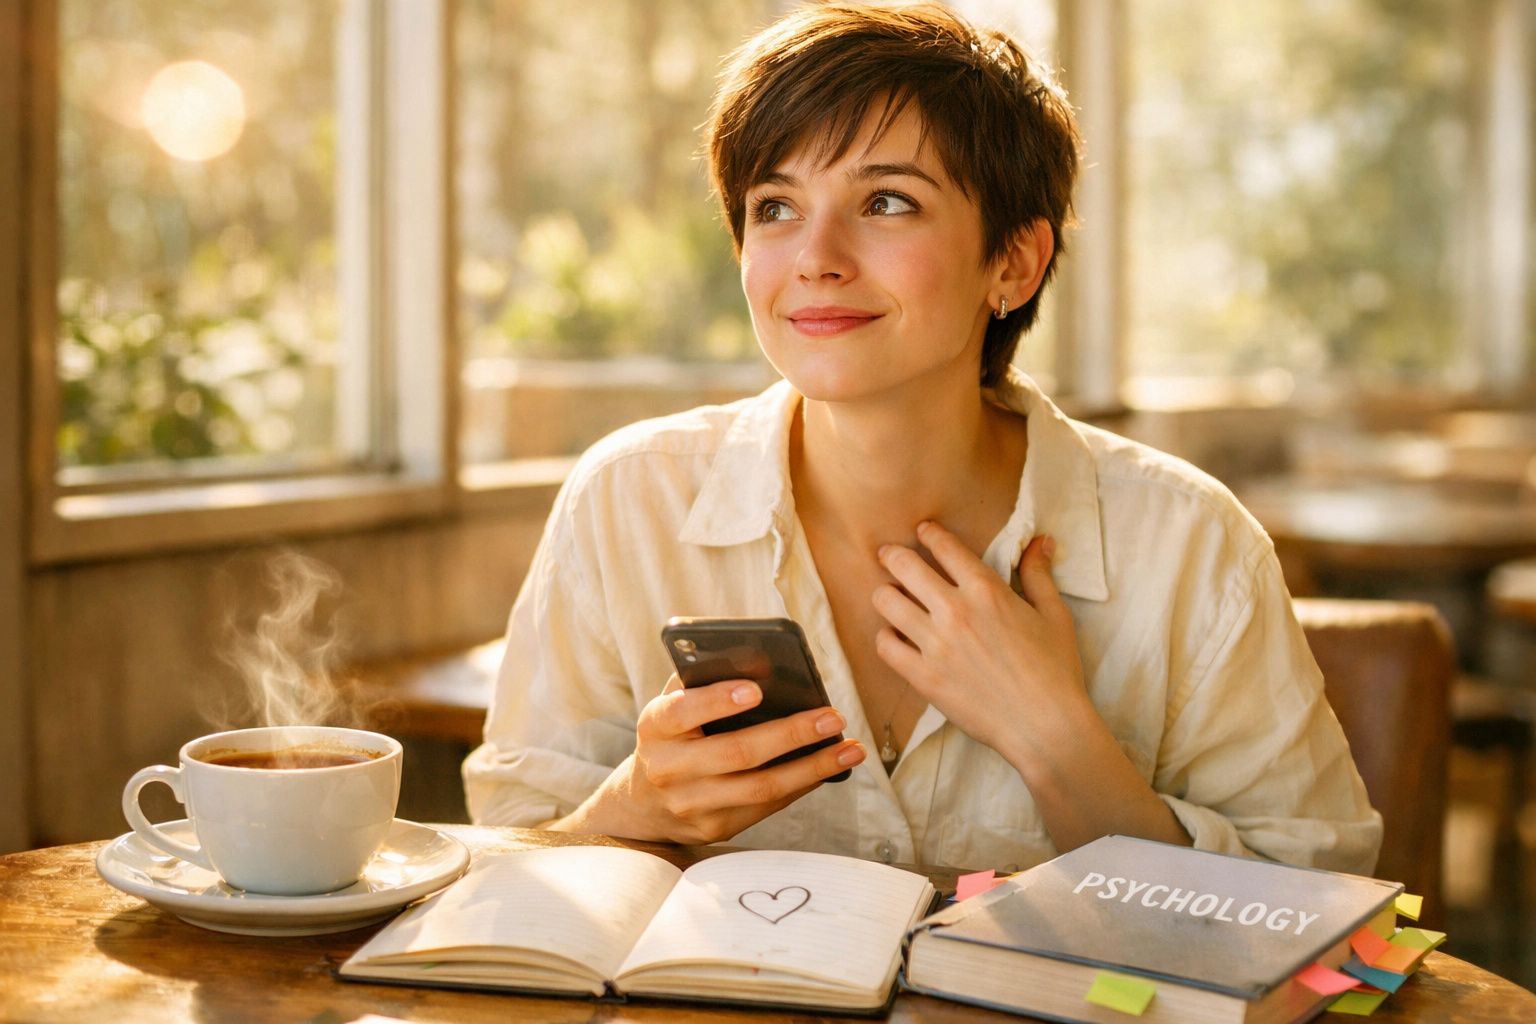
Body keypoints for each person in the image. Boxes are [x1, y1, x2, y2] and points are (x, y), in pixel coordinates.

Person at [463, 1, 1382, 875]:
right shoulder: (629, 499)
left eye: (887, 202)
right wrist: (636, 809)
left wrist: (1058, 743)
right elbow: (510, 858)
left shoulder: (1190, 544)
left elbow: (1320, 902)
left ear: (1014, 263)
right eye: (774, 207)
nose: (815, 256)